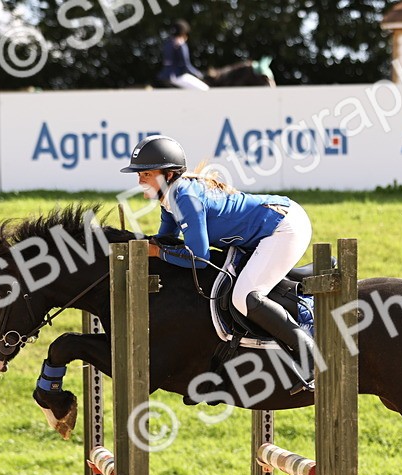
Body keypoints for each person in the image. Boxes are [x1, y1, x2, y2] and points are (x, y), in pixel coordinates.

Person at [121, 134, 316, 391]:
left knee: (244, 297)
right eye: (139, 174)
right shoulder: (170, 197)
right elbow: (165, 240)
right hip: (266, 229)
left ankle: (309, 355)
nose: (139, 180)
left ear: (167, 175)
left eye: (145, 174)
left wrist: (156, 253)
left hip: (283, 227)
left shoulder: (183, 196)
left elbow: (199, 258)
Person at [157, 21, 209, 91]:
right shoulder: (180, 44)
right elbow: (186, 65)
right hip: (176, 76)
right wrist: (198, 74)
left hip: (164, 76)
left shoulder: (167, 43)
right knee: (205, 89)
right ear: (183, 33)